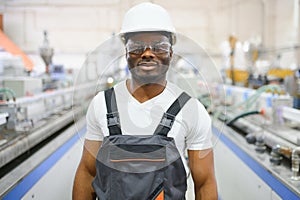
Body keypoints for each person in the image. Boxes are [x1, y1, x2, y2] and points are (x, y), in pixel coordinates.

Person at [73, 2, 218, 200]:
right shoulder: (102, 104)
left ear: (171, 55)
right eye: (137, 47)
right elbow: (87, 173)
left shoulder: (191, 110)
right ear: (126, 54)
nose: (147, 53)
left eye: (159, 47)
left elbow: (205, 183)